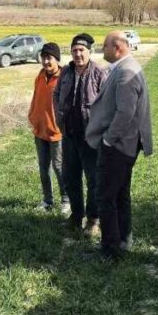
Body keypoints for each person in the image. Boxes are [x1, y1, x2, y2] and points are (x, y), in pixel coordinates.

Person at [85, 30, 154, 260]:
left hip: (118, 146)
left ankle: (110, 249)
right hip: (124, 145)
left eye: (104, 46)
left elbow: (125, 113)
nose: (101, 50)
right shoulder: (126, 68)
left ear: (118, 48)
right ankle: (124, 239)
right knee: (120, 194)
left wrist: (107, 140)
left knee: (105, 197)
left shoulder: (126, 73)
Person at [54, 33, 108, 237]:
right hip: (69, 136)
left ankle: (93, 220)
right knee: (70, 177)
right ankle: (76, 217)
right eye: (74, 50)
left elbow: (107, 105)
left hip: (91, 139)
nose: (78, 54)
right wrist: (59, 119)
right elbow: (56, 95)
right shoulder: (66, 73)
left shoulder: (99, 74)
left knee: (93, 179)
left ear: (90, 52)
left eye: (81, 50)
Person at [28, 42, 68, 214]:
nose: (45, 62)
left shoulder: (64, 77)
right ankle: (47, 200)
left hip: (56, 133)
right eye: (43, 58)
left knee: (59, 168)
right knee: (44, 168)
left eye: (49, 58)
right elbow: (36, 97)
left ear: (57, 60)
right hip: (40, 130)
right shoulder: (40, 76)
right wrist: (32, 115)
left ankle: (66, 200)